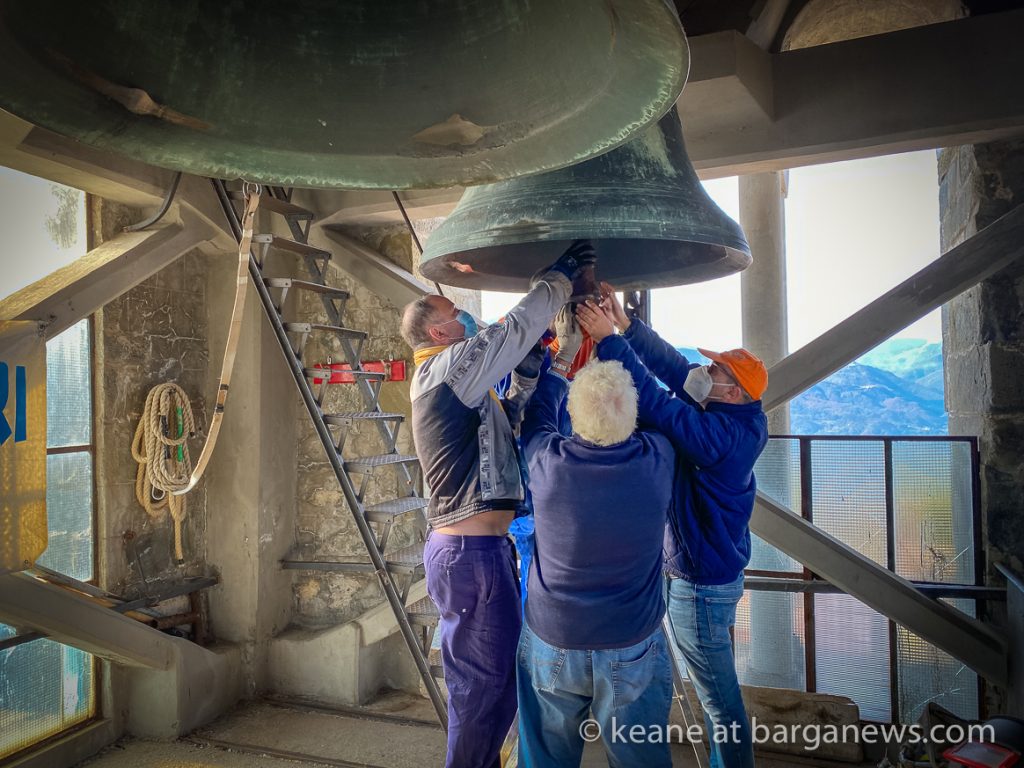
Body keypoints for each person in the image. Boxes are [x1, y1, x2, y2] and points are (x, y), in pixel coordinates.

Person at [400, 241, 594, 768]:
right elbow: (509, 331)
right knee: (481, 690)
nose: (464, 315)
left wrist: (536, 368)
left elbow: (508, 423)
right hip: (469, 554)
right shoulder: (445, 368)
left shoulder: (461, 386)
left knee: (495, 686)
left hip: (480, 552)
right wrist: (558, 278)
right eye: (453, 314)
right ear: (439, 332)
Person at [577, 289, 769, 768]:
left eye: (716, 371)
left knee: (719, 701)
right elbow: (673, 368)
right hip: (712, 577)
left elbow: (661, 407)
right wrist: (626, 325)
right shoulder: (732, 416)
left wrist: (608, 342)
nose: (704, 373)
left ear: (732, 391)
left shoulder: (718, 437)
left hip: (699, 587)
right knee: (716, 697)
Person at [516, 306, 676, 768]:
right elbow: (660, 413)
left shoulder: (547, 462)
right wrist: (615, 336)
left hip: (553, 635)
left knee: (544, 757)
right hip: (630, 641)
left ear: (574, 416)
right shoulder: (658, 460)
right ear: (634, 414)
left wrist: (563, 360)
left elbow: (538, 416)